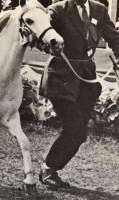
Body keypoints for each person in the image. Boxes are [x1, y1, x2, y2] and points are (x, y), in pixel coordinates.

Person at [39, 0, 119, 188]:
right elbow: (43, 35)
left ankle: (50, 168)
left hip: (86, 80)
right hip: (61, 78)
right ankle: (48, 168)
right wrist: (49, 45)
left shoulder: (99, 10)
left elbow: (113, 37)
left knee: (79, 133)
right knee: (74, 128)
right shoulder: (57, 10)